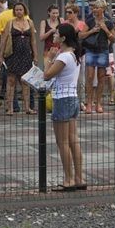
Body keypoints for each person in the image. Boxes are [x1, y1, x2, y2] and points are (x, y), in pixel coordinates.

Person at [43, 23, 86, 192]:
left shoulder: (63, 57)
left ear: (63, 38)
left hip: (62, 99)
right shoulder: (74, 55)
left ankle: (68, 179)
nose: (54, 36)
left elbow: (47, 75)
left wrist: (49, 58)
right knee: (73, 140)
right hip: (72, 97)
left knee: (63, 142)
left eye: (56, 34)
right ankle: (79, 177)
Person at [0, 2, 37, 115]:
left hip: (26, 55)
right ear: (14, 11)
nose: (19, 12)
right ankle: (9, 107)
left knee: (25, 82)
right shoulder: (10, 23)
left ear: (24, 10)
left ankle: (27, 107)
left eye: (21, 9)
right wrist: (0, 56)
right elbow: (4, 40)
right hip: (12, 55)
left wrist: (35, 55)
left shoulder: (30, 22)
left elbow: (33, 41)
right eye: (17, 10)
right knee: (11, 81)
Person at [80, 0, 115, 114]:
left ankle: (98, 102)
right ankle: (89, 102)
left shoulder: (109, 22)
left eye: (96, 8)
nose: (94, 10)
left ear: (103, 9)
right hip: (91, 50)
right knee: (90, 76)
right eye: (93, 8)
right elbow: (81, 35)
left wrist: (105, 29)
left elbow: (113, 39)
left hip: (103, 50)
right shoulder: (90, 20)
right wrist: (91, 31)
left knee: (101, 77)